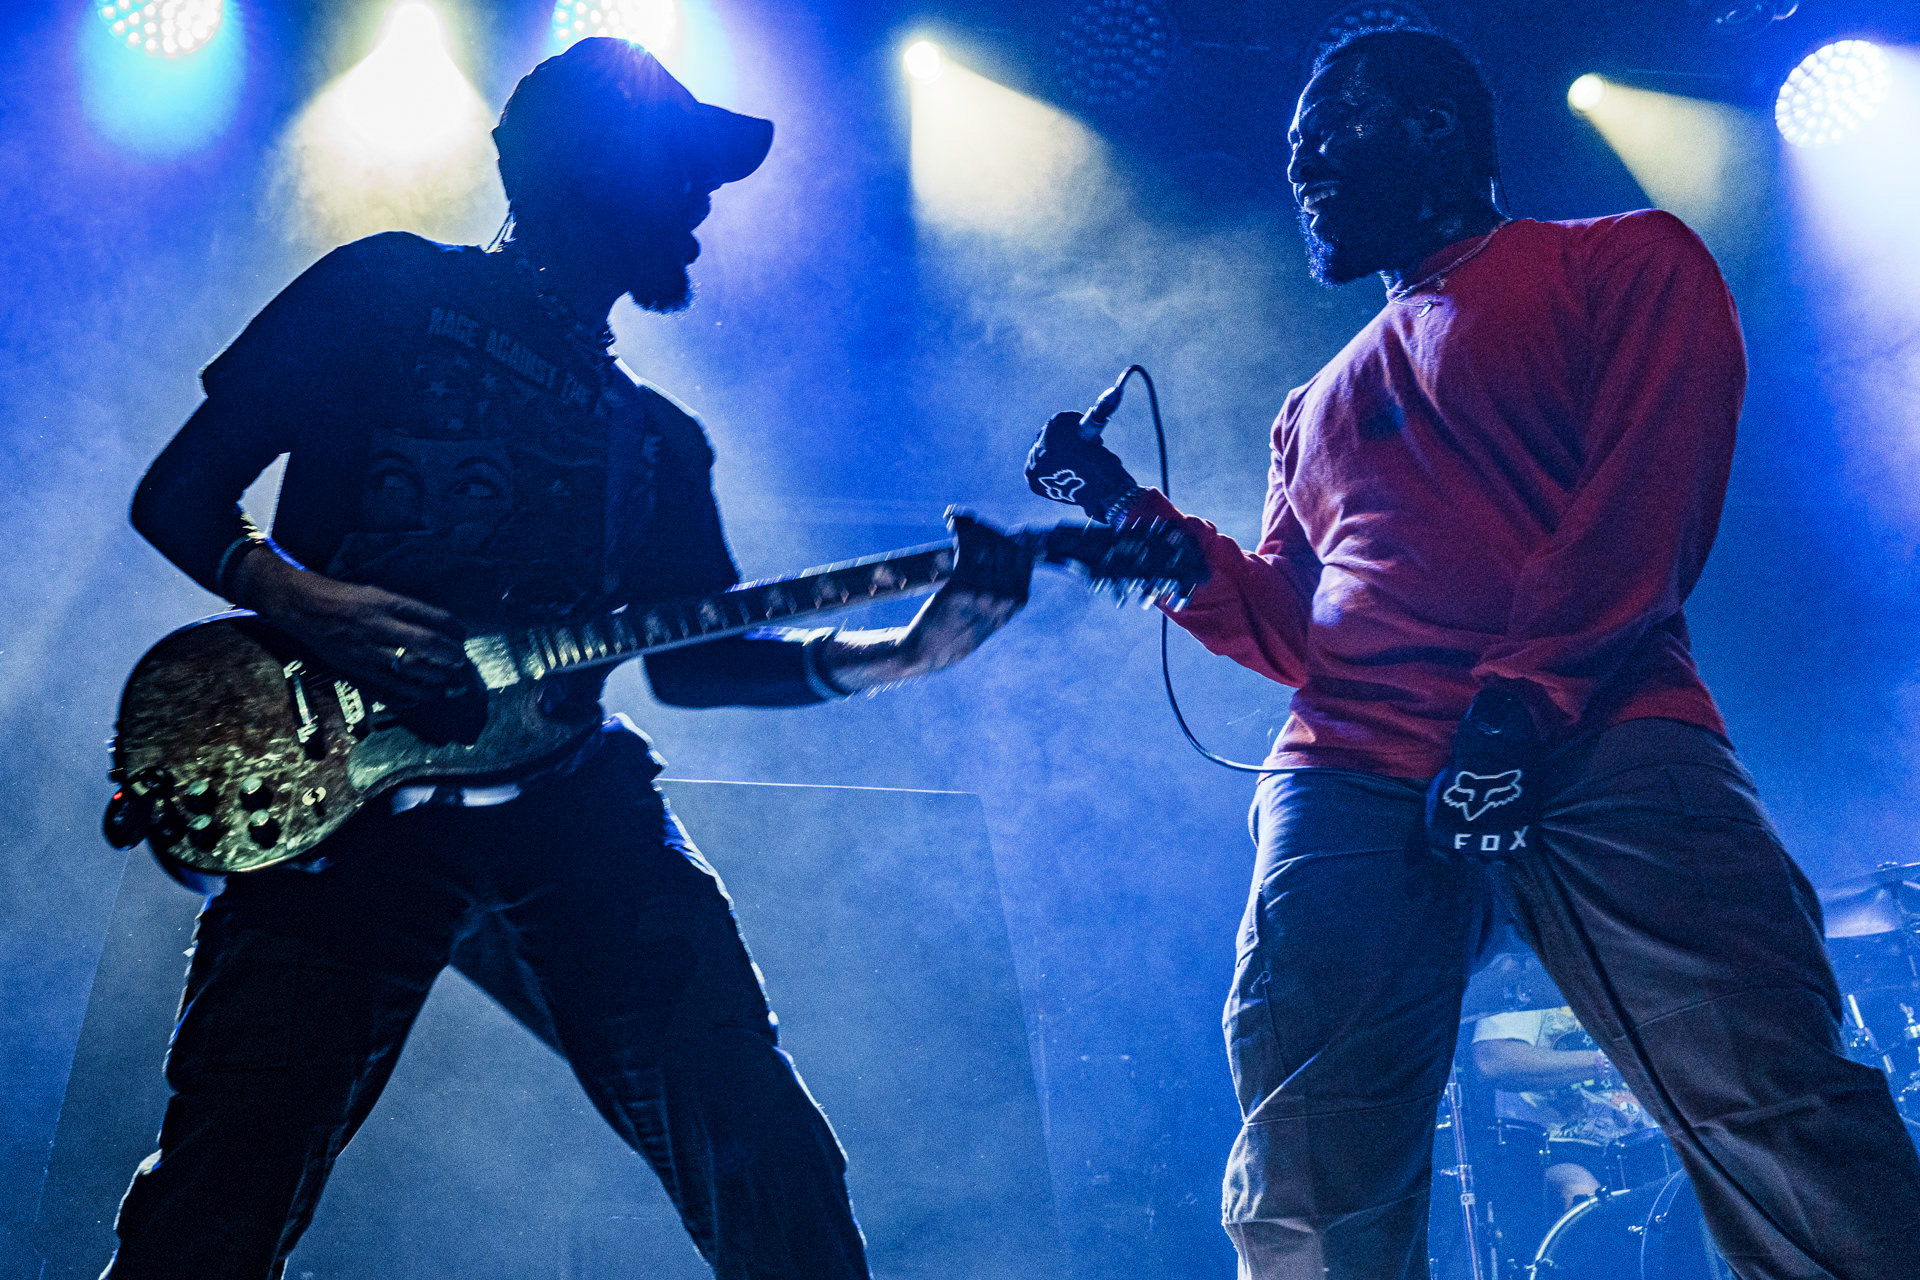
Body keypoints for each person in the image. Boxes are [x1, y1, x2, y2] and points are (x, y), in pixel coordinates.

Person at [109, 37, 1023, 1280]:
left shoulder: (652, 441)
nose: (705, 205)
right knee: (217, 1201)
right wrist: (301, 597)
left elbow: (697, 661)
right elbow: (180, 490)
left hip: (569, 812)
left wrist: (910, 652)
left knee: (766, 1153)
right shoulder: (383, 291)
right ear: (591, 173)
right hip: (339, 817)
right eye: (682, 172)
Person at [1024, 23, 1920, 1280]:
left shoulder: (1628, 260)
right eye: (1294, 157)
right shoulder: (1310, 405)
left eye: (1328, 138)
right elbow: (1295, 622)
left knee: (1770, 1100)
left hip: (1606, 728)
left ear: (1436, 128)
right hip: (1349, 767)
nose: (1303, 174)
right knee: (1309, 1163)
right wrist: (1127, 508)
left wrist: (1517, 706)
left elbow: (1643, 501)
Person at [1472, 1004, 1652, 1213]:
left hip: (1646, 1143)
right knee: (1578, 1189)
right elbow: (1493, 1061)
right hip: (1554, 1151)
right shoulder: (1524, 979)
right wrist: (1605, 1063)